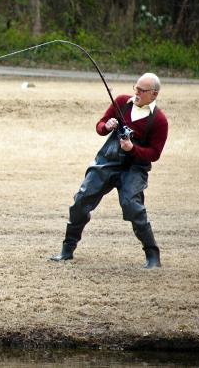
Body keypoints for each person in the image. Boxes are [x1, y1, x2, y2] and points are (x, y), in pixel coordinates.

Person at [50, 72, 169, 268]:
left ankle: (152, 255)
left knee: (132, 206)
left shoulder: (159, 121)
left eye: (142, 90)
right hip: (107, 161)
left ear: (154, 94)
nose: (137, 92)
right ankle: (67, 249)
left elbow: (154, 153)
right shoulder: (122, 102)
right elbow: (99, 126)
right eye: (136, 88)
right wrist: (107, 125)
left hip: (134, 168)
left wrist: (133, 149)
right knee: (81, 200)